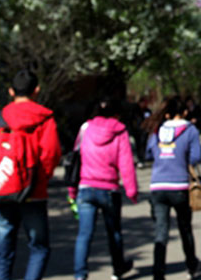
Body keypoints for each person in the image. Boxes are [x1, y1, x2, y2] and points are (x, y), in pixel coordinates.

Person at [0, 70, 62, 280]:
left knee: (4, 253)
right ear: (37, 91)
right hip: (34, 193)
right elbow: (51, 155)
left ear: (11, 91)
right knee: (39, 248)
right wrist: (38, 180)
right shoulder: (45, 119)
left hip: (2, 190)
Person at [70, 97, 138, 280]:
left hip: (85, 186)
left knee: (84, 234)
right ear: (117, 113)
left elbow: (76, 158)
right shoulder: (119, 132)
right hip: (109, 188)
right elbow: (126, 163)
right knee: (114, 231)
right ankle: (117, 270)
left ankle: (80, 275)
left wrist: (72, 190)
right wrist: (131, 190)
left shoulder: (85, 129)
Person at [146, 98, 201, 280]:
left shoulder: (157, 130)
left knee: (161, 232)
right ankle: (191, 266)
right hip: (179, 185)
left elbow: (149, 153)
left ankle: (158, 272)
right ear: (185, 113)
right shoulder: (190, 130)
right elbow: (195, 157)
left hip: (158, 185)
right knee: (185, 228)